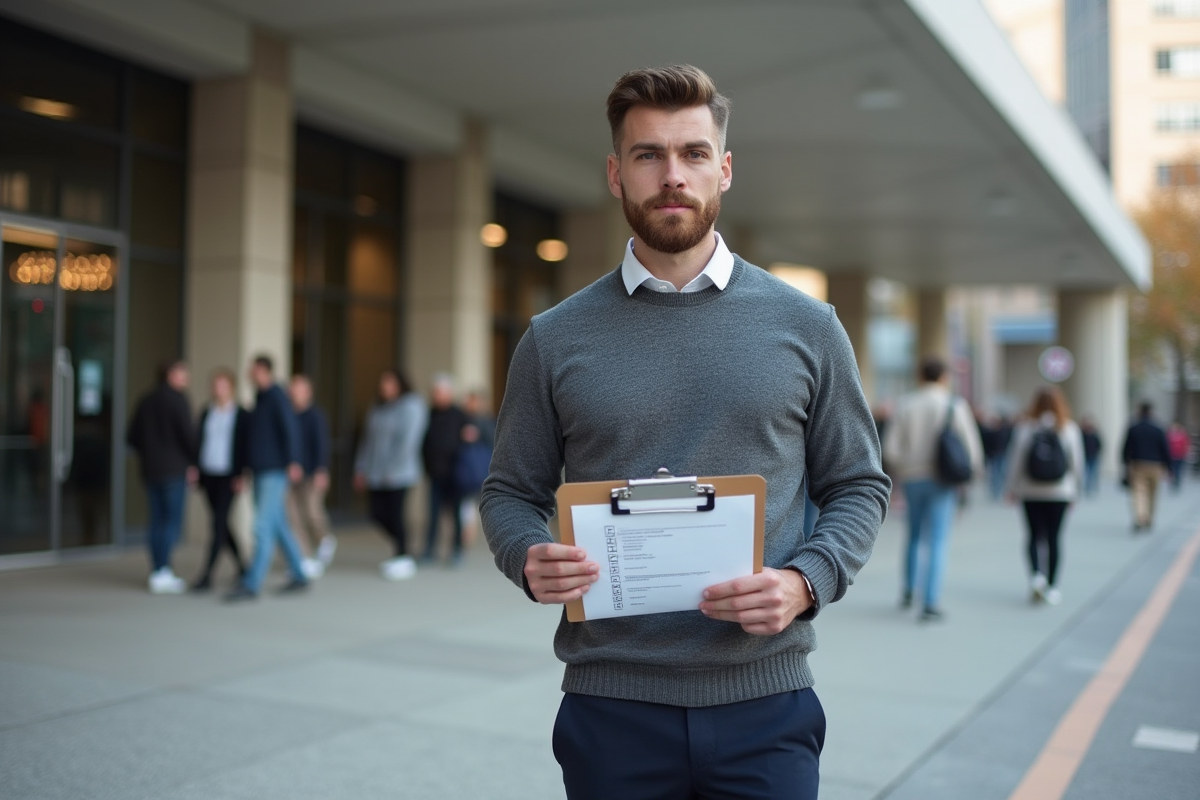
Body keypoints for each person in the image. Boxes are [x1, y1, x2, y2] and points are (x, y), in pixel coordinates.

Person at [480, 65, 890, 800]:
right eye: (648, 155)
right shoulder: (554, 338)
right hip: (612, 709)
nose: (673, 175)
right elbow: (509, 492)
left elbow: (858, 484)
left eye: (693, 153)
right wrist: (527, 554)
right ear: (615, 173)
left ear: (724, 169)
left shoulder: (808, 326)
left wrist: (806, 581)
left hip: (765, 703)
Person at [883, 356, 984, 622]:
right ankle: (930, 602)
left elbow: (890, 448)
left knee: (914, 535)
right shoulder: (954, 404)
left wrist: (907, 465)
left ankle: (908, 590)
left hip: (912, 478)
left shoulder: (905, 404)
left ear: (920, 375)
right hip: (943, 479)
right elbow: (972, 450)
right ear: (944, 378)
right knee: (938, 539)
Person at [225, 355, 309, 601]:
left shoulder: (277, 397)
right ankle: (300, 574)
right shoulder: (260, 400)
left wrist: (293, 461)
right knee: (278, 525)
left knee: (262, 526)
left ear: (264, 371)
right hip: (260, 471)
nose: (250, 374)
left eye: (253, 370)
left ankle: (251, 583)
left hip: (274, 471)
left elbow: (290, 429)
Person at [1004, 387, 1085, 606]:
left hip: (1030, 491)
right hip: (1060, 492)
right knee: (1054, 538)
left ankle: (1036, 576)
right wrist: (1076, 491)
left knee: (1033, 535)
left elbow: (1016, 461)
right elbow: (1076, 464)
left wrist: (1011, 488)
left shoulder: (1026, 428)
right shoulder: (1068, 428)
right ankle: (1052, 586)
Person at [126, 360, 196, 594]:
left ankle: (157, 569)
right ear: (170, 374)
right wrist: (193, 461)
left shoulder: (146, 400)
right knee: (171, 522)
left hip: (150, 470)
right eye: (182, 373)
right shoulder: (178, 400)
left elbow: (132, 437)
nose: (186, 377)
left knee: (156, 521)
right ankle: (163, 569)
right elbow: (189, 437)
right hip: (173, 470)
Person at [354, 368, 428, 580]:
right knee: (376, 513)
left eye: (390, 383)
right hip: (375, 473)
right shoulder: (377, 408)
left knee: (395, 514)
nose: (385, 387)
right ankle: (404, 549)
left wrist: (392, 469)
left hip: (400, 474)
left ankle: (402, 556)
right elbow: (367, 442)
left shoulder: (412, 406)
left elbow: (408, 442)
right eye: (383, 383)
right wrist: (360, 469)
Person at [191, 368, 249, 591]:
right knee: (221, 523)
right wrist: (195, 468)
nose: (218, 389)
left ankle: (207, 575)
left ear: (231, 387)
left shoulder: (241, 414)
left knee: (217, 524)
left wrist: (242, 474)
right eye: (215, 385)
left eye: (222, 385)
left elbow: (244, 447)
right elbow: (198, 442)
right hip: (209, 474)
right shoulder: (207, 412)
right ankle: (243, 566)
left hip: (229, 476)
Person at [287, 374, 335, 578]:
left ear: (308, 392)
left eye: (298, 389)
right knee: (293, 517)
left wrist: (322, 470)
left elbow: (322, 444)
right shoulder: (288, 415)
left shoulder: (316, 415)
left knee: (312, 511)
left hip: (312, 473)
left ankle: (324, 538)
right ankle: (304, 557)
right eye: (292, 389)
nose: (294, 393)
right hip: (291, 475)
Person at [421, 374, 469, 566]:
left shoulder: (459, 415)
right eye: (435, 392)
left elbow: (475, 437)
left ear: (449, 393)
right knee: (432, 515)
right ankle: (429, 550)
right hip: (434, 474)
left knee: (456, 514)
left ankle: (457, 550)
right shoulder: (429, 413)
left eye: (440, 392)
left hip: (455, 475)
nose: (436, 395)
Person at [1122, 403, 1171, 532]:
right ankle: (1149, 518)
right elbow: (1165, 449)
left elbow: (1126, 448)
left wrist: (1126, 463)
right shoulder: (1158, 429)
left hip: (1138, 464)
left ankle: (1140, 517)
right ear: (1151, 412)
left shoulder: (1134, 428)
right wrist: (1169, 467)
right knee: (1153, 493)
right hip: (1156, 465)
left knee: (1139, 492)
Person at [458, 389, 496, 546]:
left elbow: (493, 442)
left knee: (478, 502)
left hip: (481, 469)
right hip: (465, 470)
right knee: (466, 503)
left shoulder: (486, 421)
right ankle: (466, 532)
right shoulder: (461, 419)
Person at [1079, 415, 1102, 497]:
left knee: (1093, 472)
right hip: (1086, 455)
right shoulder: (1082, 434)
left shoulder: (1094, 433)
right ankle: (1087, 487)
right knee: (1087, 472)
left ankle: (1093, 486)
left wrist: (1098, 452)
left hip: (1093, 455)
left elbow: (1099, 444)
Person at [1166, 422, 1190, 491]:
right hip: (1173, 455)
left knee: (1177, 469)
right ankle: (1174, 481)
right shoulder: (1170, 436)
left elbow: (1185, 446)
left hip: (1179, 456)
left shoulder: (1182, 436)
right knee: (1174, 469)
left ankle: (1176, 481)